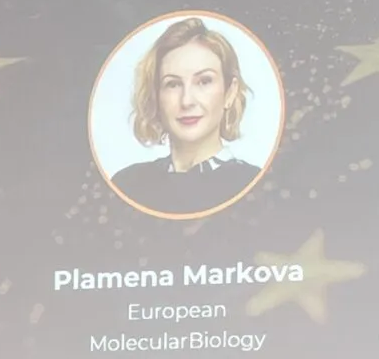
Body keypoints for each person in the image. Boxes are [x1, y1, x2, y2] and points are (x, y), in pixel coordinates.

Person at [108, 16, 267, 215]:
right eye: (173, 84)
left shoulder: (255, 185)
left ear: (229, 92)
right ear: (156, 96)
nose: (187, 101)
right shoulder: (126, 184)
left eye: (204, 81)